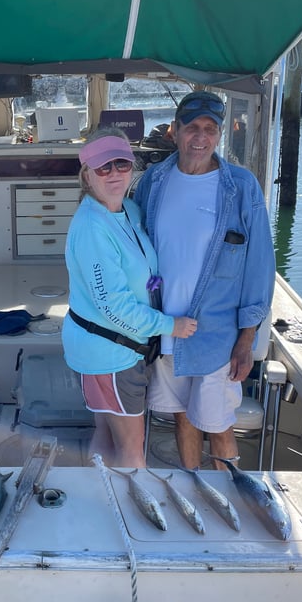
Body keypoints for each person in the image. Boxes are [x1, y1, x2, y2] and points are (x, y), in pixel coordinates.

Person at [134, 90, 275, 470]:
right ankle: (196, 492)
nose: (200, 137)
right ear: (174, 132)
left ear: (220, 134)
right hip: (165, 329)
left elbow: (260, 268)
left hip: (217, 334)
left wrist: (246, 341)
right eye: (191, 127)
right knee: (181, 415)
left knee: (218, 424)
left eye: (210, 129)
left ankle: (229, 503)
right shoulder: (154, 180)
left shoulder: (242, 188)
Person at [62, 129, 196, 468]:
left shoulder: (129, 211)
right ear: (86, 174)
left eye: (121, 164)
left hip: (118, 348)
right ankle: (129, 517)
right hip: (110, 353)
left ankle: (99, 500)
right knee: (133, 451)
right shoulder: (92, 228)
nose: (114, 174)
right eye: (103, 167)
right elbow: (112, 306)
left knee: (107, 431)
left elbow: (142, 269)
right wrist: (171, 326)